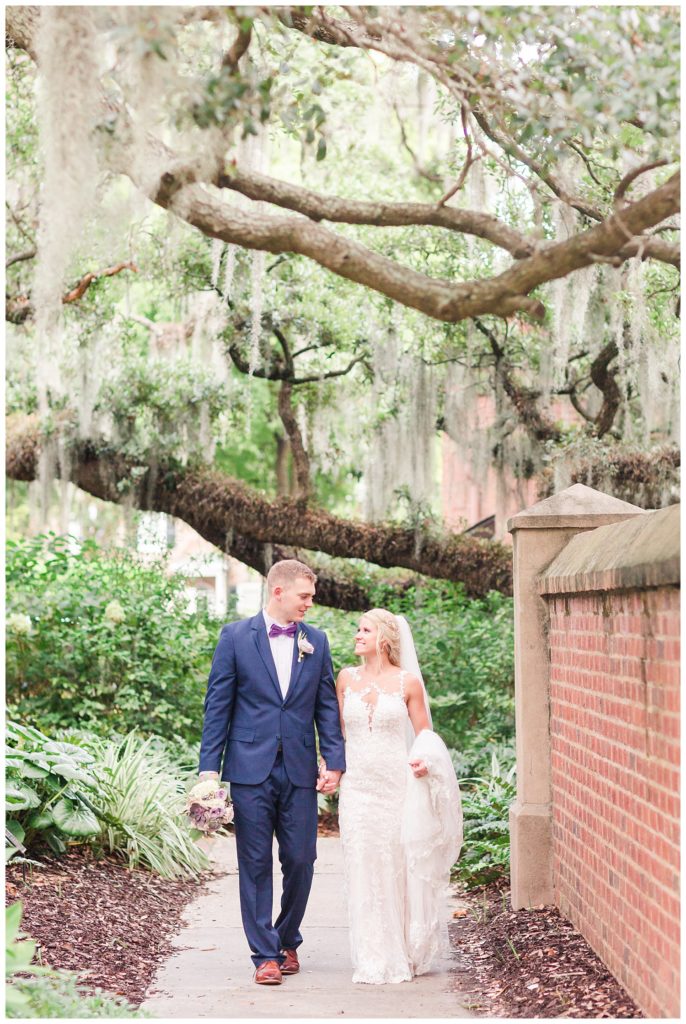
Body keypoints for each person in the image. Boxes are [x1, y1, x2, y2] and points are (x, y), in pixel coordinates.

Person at [196, 559, 345, 985]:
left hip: (299, 769)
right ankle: (264, 955)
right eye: (304, 596)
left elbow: (325, 707)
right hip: (249, 769)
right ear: (278, 592)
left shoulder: (316, 641)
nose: (309, 605)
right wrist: (210, 768)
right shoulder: (236, 638)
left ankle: (286, 938)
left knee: (301, 859)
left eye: (311, 597)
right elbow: (218, 705)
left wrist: (334, 761)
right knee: (255, 861)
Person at [334, 608, 463, 985]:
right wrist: (329, 766)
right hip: (357, 788)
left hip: (396, 786)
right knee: (363, 865)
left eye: (364, 630)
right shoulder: (345, 679)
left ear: (385, 640)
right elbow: (337, 734)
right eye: (358, 629)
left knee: (396, 866)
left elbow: (423, 735)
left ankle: (404, 947)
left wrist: (424, 763)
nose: (357, 635)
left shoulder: (407, 683)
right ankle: (374, 954)